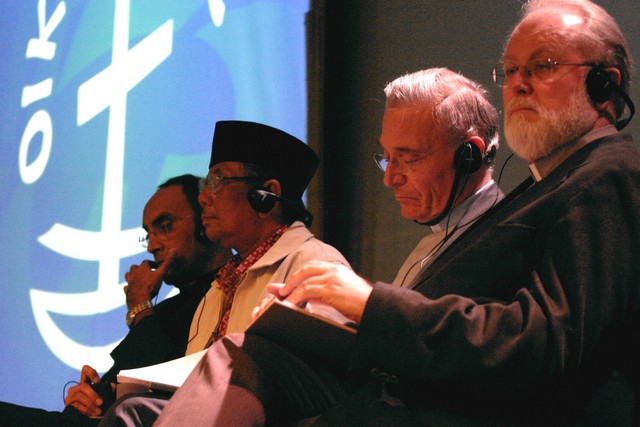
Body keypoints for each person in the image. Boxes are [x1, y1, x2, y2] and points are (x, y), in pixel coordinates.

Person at [103, 0, 640, 425]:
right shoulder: (545, 186)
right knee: (182, 386)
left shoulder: (606, 172)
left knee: (246, 357)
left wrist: (369, 303)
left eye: (543, 66)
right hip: (401, 391)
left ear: (605, 83)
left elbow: (545, 344)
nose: (518, 82)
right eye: (512, 69)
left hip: (435, 405)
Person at [98, 120, 351, 424]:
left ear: (266, 194)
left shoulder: (315, 266)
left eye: (217, 181)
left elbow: (324, 396)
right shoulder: (218, 289)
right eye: (205, 184)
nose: (204, 197)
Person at [0, 174, 231, 426]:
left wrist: (140, 306)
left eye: (165, 226)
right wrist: (91, 397)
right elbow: (126, 386)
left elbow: (170, 394)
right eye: (148, 235)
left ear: (204, 223)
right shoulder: (163, 311)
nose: (152, 246)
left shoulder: (232, 295)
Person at [374, 68, 503, 287]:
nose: (389, 179)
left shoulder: (497, 250)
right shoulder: (446, 237)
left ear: (468, 156)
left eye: (410, 159)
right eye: (387, 158)